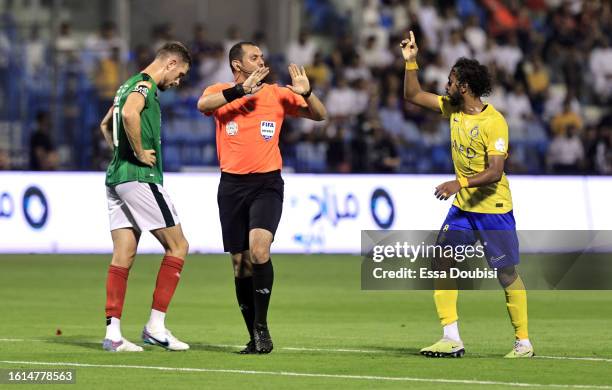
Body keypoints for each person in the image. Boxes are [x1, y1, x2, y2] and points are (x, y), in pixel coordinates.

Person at [400, 31, 533, 358]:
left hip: (493, 208)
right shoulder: (452, 109)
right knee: (441, 258)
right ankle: (451, 337)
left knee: (505, 273)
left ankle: (523, 342)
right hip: (463, 209)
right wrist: (410, 61)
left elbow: (495, 170)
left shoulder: (494, 122)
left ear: (464, 86)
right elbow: (413, 95)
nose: (445, 85)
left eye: (450, 80)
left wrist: (458, 183)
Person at [197, 41, 327, 354]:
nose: (261, 60)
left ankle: (262, 326)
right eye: (254, 57)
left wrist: (307, 93)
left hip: (267, 183)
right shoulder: (220, 90)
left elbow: (320, 115)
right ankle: (253, 336)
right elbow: (203, 106)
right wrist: (240, 92)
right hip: (231, 187)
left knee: (258, 250)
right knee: (240, 264)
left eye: (262, 56)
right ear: (237, 65)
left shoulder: (276, 93)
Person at [99, 42, 192, 352]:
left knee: (123, 255)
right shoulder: (144, 85)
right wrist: (138, 152)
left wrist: (120, 153)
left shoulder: (126, 84)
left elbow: (105, 124)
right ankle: (155, 326)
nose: (178, 82)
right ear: (171, 63)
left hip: (116, 178)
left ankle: (113, 334)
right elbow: (128, 114)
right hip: (140, 177)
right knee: (178, 246)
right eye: (180, 74)